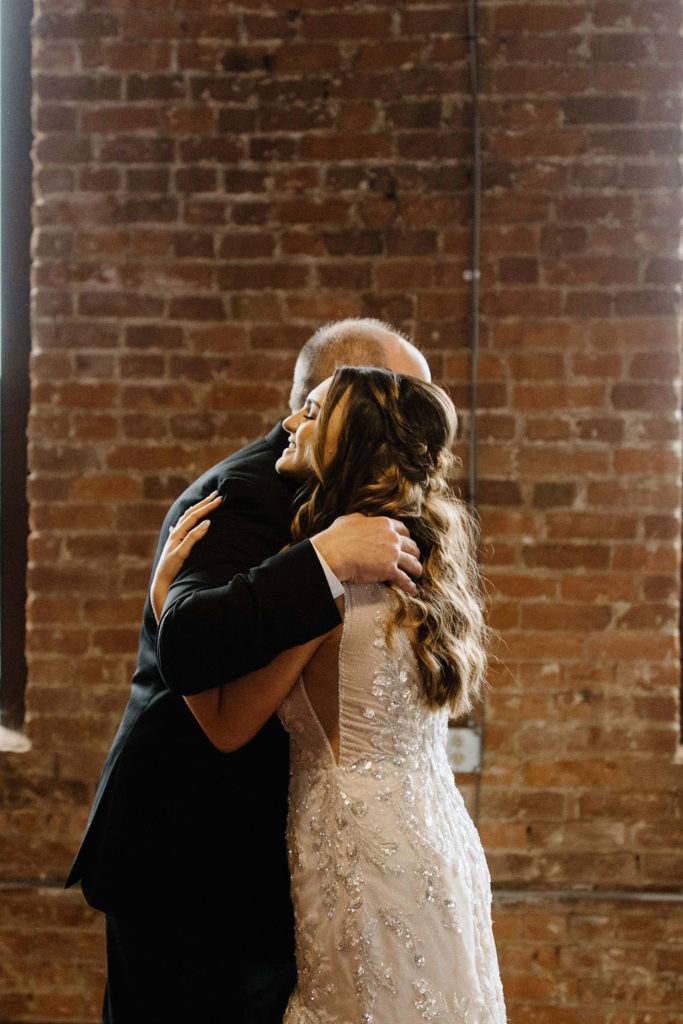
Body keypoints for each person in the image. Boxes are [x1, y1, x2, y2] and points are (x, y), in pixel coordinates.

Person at [65, 318, 430, 1024]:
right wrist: (322, 561)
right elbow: (194, 651)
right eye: (402, 396)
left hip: (295, 861)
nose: (416, 420)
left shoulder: (361, 509)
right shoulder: (244, 495)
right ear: (338, 397)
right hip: (192, 856)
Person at [155, 367, 507, 1023]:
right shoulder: (420, 562)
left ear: (351, 440)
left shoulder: (336, 581)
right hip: (439, 841)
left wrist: (158, 605)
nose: (291, 422)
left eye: (314, 411)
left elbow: (227, 725)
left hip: (359, 850)